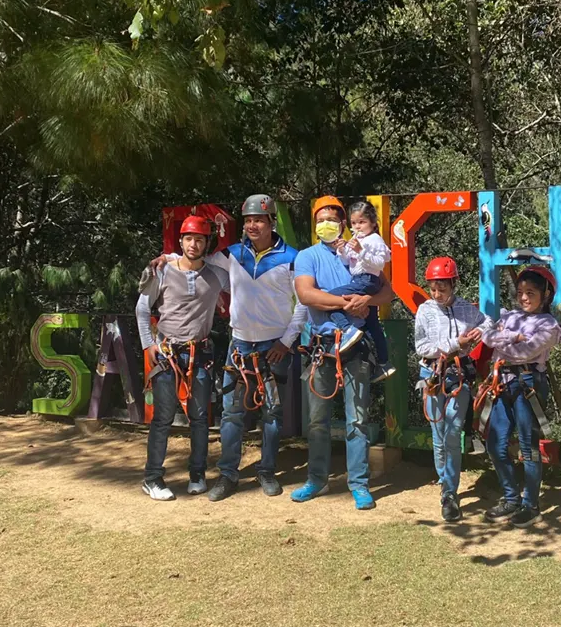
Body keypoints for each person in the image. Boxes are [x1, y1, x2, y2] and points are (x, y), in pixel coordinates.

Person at [150, 194, 307, 502]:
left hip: (274, 346)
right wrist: (168, 256)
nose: (252, 225)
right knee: (231, 412)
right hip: (240, 344)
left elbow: (302, 304)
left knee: (272, 412)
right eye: (248, 220)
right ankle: (228, 474)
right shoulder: (232, 254)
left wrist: (286, 341)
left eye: (258, 220)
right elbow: (194, 258)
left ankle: (266, 471)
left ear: (271, 222)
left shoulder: (292, 258)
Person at [290, 195, 395, 510]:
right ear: (314, 224)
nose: (326, 224)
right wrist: (348, 303)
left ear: (343, 223)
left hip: (357, 346)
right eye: (320, 219)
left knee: (357, 419)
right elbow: (306, 294)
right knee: (316, 420)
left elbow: (387, 291)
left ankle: (359, 484)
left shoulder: (356, 250)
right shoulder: (308, 256)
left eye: (332, 219)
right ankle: (316, 479)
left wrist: (367, 301)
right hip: (322, 346)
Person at [136, 215, 230, 501]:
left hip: (199, 354)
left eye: (199, 239)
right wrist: (147, 345)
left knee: (200, 418)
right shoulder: (162, 271)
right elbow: (142, 308)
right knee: (163, 418)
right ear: (180, 241)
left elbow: (244, 286)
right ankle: (152, 478)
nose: (193, 244)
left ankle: (197, 474)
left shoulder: (217, 276)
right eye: (188, 238)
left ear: (207, 244)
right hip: (167, 354)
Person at [479, 266, 561, 527]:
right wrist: (512, 336)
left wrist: (502, 342)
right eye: (520, 292)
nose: (524, 297)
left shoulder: (548, 325)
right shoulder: (510, 316)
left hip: (528, 384)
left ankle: (531, 505)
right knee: (495, 443)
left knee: (529, 446)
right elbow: (487, 336)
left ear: (545, 295)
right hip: (502, 383)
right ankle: (510, 498)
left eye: (530, 293)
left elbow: (525, 352)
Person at [414, 256, 494, 522]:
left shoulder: (466, 309)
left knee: (453, 431)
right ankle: (444, 479)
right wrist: (455, 343)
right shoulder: (425, 311)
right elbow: (422, 347)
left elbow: (487, 322)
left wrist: (479, 333)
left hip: (458, 375)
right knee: (438, 432)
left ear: (453, 285)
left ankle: (449, 493)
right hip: (431, 375)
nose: (437, 294)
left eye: (442, 288)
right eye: (433, 289)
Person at [326, 200, 395, 382]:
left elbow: (380, 263)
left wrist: (360, 250)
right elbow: (348, 262)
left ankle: (347, 329)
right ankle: (383, 362)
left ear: (372, 222)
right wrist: (342, 249)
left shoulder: (374, 240)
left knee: (329, 298)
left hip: (367, 280)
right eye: (354, 223)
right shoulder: (357, 240)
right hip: (360, 280)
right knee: (372, 324)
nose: (357, 226)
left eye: (362, 222)